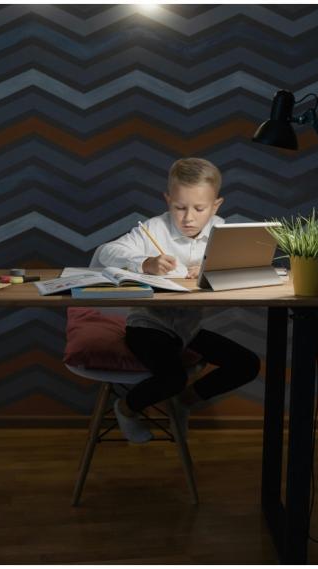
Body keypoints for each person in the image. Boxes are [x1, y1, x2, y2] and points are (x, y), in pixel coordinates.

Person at [96, 157, 261, 443]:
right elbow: (105, 253)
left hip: (188, 331)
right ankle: (125, 408)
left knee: (246, 364)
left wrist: (215, 269)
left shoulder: (221, 231)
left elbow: (247, 269)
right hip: (148, 326)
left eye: (199, 209)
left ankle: (184, 401)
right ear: (167, 199)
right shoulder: (152, 229)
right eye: (179, 207)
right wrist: (145, 262)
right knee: (172, 377)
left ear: (216, 205)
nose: (188, 218)